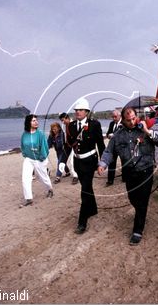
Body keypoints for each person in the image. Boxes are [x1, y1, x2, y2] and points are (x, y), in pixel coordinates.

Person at [97, 107, 158, 245]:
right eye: (128, 120)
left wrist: (147, 131)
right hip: (128, 172)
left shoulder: (145, 129)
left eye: (134, 118)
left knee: (142, 201)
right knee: (133, 198)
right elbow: (109, 151)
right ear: (123, 120)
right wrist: (103, 163)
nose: (132, 122)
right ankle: (139, 211)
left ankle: (137, 230)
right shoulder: (118, 135)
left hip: (146, 171)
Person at [62, 98, 105, 234]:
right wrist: (63, 161)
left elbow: (100, 144)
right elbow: (69, 145)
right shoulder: (72, 126)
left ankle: (82, 222)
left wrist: (102, 162)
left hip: (90, 162)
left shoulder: (95, 125)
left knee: (85, 190)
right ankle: (93, 209)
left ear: (87, 112)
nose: (78, 112)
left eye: (81, 110)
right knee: (86, 187)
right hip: (77, 162)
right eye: (76, 110)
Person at [20, 114, 54, 206]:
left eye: (36, 120)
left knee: (43, 177)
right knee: (25, 178)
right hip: (28, 159)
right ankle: (29, 199)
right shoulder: (24, 134)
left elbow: (45, 147)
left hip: (39, 159)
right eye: (33, 121)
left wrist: (42, 157)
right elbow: (22, 145)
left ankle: (50, 189)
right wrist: (25, 154)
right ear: (28, 123)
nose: (36, 122)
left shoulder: (40, 134)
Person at [59, 112, 78, 185]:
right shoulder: (67, 125)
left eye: (63, 120)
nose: (62, 122)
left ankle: (76, 176)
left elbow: (76, 136)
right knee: (69, 160)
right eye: (61, 121)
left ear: (67, 118)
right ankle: (76, 175)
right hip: (69, 145)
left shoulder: (74, 124)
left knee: (72, 162)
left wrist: (73, 145)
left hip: (75, 146)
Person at [105, 109, 123, 186]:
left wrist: (115, 135)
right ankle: (110, 180)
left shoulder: (124, 123)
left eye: (115, 117)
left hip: (122, 147)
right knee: (111, 163)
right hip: (113, 146)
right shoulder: (112, 123)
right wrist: (109, 135)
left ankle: (125, 177)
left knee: (124, 162)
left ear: (120, 116)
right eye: (112, 117)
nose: (114, 118)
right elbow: (108, 133)